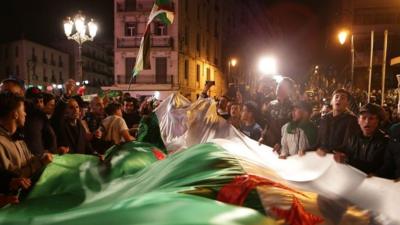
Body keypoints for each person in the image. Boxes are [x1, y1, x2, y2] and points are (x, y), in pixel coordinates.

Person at [334, 103, 397, 178]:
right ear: (358, 121)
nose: (367, 122)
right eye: (363, 118)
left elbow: (379, 167)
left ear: (378, 121)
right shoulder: (352, 138)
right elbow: (343, 150)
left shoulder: (385, 141)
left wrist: (348, 159)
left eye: (371, 118)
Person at [0, 92, 53, 179]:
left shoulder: (17, 137)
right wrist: (41, 163)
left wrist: (43, 157)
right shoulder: (1, 144)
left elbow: (30, 160)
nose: (25, 114)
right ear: (15, 114)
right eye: (23, 110)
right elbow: (13, 178)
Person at [51, 81, 95, 155]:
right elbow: (58, 112)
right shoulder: (60, 124)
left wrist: (96, 154)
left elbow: (86, 145)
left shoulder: (80, 125)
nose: (75, 110)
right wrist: (67, 94)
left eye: (77, 107)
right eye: (71, 107)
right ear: (64, 111)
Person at [316, 89, 359, 156]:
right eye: (336, 97)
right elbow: (318, 142)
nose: (338, 99)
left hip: (338, 159)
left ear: (347, 103)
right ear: (331, 101)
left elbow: (347, 145)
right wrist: (306, 150)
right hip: (323, 158)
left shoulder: (352, 120)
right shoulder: (324, 119)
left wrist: (327, 151)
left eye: (342, 98)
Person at [259, 77, 294, 150]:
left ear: (288, 90)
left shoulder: (293, 107)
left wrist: (281, 143)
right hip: (268, 143)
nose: (278, 87)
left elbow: (292, 129)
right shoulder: (271, 104)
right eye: (278, 85)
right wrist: (263, 136)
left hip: (284, 147)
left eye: (281, 86)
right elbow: (267, 124)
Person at [23, 87, 57, 156]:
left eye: (41, 101)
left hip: (39, 158)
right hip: (24, 159)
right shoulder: (21, 116)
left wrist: (50, 150)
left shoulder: (41, 116)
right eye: (35, 101)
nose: (39, 104)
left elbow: (51, 135)